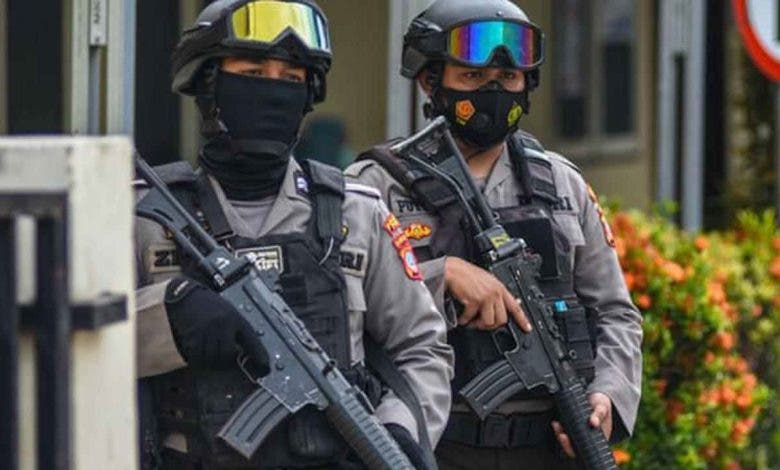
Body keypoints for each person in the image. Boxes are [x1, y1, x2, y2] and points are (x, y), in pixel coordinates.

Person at [133, 1, 453, 468]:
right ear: (208, 85)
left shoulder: (356, 213)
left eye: (290, 78)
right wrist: (167, 315)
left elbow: (421, 347)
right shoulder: (143, 217)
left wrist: (399, 431)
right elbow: (71, 343)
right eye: (253, 72)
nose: (272, 91)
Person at [346, 1, 643, 468]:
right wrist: (440, 276)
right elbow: (339, 308)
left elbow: (614, 313)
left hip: (549, 446)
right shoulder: (375, 186)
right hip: (433, 445)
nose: (493, 90)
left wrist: (609, 395)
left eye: (507, 78)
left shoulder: (561, 184)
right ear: (429, 81)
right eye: (472, 76)